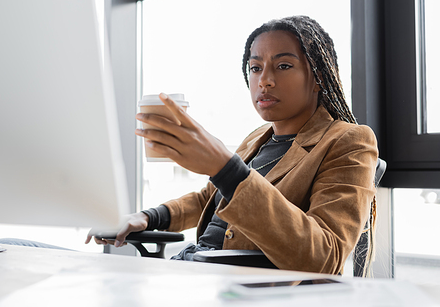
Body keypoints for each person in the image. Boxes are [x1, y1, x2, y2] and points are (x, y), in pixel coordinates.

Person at [86, 15, 379, 275]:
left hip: (227, 286)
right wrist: (146, 217)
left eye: (284, 66)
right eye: (255, 68)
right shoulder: (257, 138)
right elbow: (208, 199)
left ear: (318, 78)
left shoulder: (348, 140)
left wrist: (227, 168)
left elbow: (325, 256)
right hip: (188, 269)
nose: (264, 81)